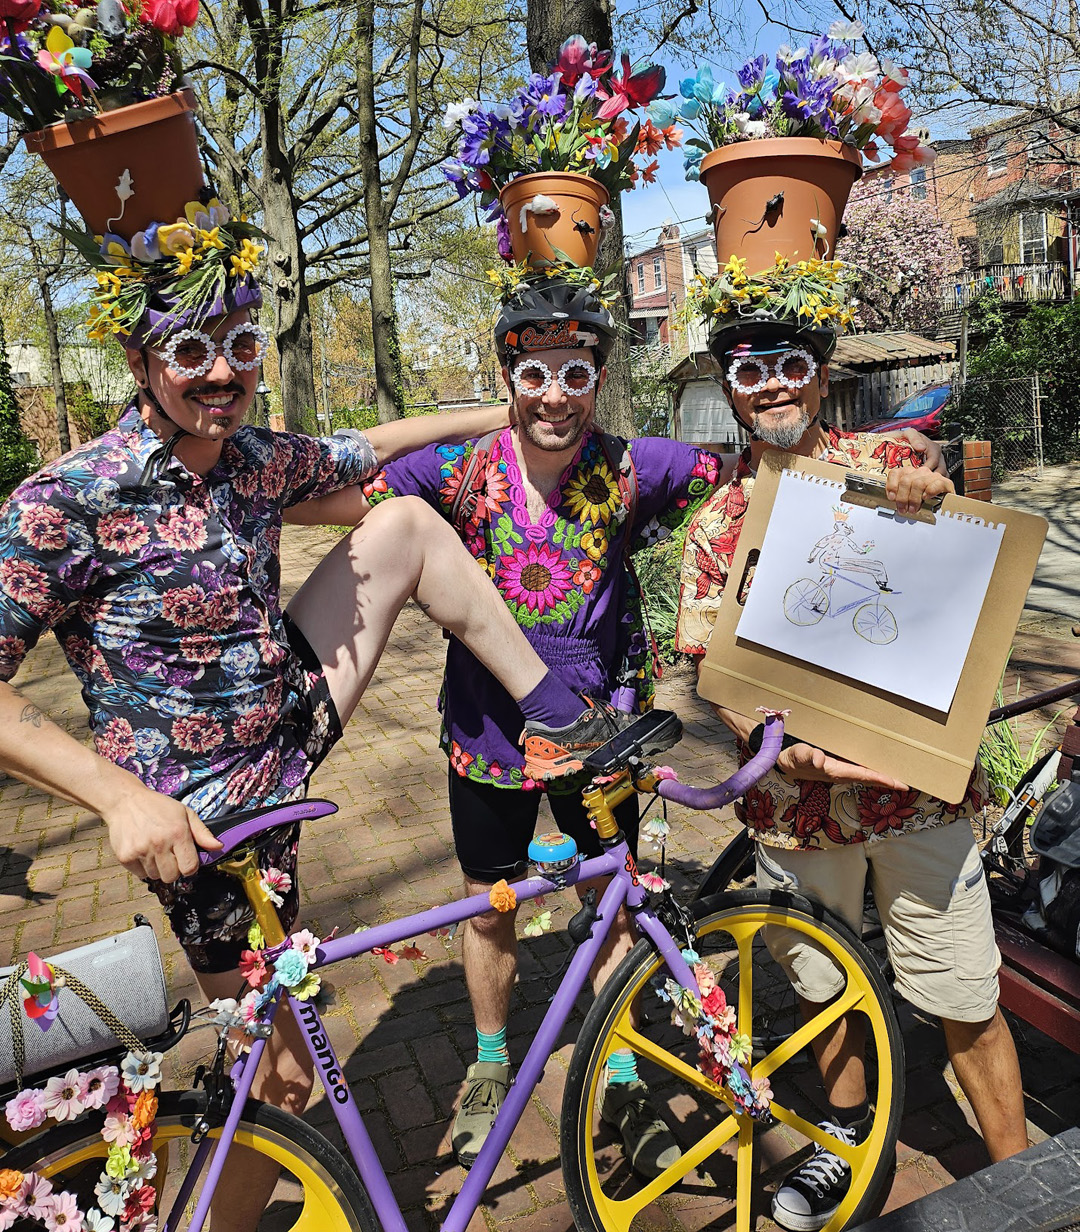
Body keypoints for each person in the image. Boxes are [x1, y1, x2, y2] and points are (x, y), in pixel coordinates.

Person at [0, 209, 627, 1232]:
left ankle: (562, 718)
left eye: (241, 347)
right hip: (199, 821)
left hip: (284, 732)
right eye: (191, 350)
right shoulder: (67, 499)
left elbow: (361, 452)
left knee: (408, 522)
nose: (221, 373)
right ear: (137, 355)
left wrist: (496, 418)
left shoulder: (245, 461)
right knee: (280, 1076)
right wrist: (117, 798)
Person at [298, 269, 943, 1178]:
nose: (556, 395)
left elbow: (770, 460)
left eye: (575, 372)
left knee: (611, 897)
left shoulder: (637, 466)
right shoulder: (457, 471)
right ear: (508, 381)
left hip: (605, 733)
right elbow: (304, 488)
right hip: (486, 734)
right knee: (492, 905)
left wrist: (902, 454)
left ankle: (625, 1065)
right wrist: (472, 418)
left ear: (599, 380)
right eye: (534, 375)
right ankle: (489, 1059)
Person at [675, 285, 1027, 1231]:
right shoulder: (716, 526)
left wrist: (937, 490)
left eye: (793, 364)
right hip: (799, 808)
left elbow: (957, 539)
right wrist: (786, 753)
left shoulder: (886, 469)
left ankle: (1018, 1171)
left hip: (919, 797)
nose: (775, 385)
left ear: (822, 376)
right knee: (828, 992)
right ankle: (842, 1144)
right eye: (751, 370)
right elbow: (719, 677)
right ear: (730, 388)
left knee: (963, 987)